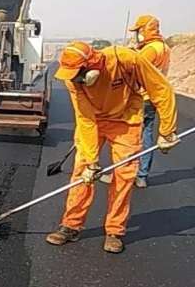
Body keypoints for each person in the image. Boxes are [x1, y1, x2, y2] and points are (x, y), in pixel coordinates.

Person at [47, 41, 178, 253]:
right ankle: (71, 225)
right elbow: (85, 119)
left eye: (79, 74)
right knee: (82, 172)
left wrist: (166, 131)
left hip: (126, 120)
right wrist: (92, 162)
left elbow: (161, 90)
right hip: (94, 121)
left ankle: (115, 231)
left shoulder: (126, 59)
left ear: (94, 65)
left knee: (124, 175)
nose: (75, 80)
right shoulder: (73, 80)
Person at [129, 14, 171, 188]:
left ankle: (125, 174)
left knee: (128, 137)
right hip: (154, 98)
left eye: (138, 31)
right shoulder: (164, 48)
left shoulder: (149, 50)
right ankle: (142, 175)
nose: (136, 35)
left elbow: (134, 71)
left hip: (141, 97)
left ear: (145, 30)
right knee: (146, 135)